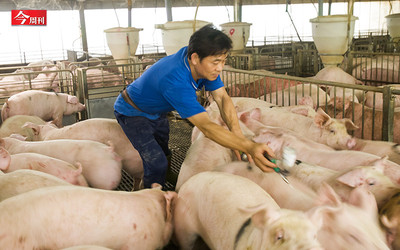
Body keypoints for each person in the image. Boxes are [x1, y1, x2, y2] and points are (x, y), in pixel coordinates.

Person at [114, 24, 276, 189]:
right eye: (216, 62)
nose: (219, 68)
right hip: (133, 112)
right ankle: (150, 198)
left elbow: (222, 98)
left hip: (157, 111)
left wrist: (238, 136)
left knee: (164, 148)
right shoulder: (176, 81)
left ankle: (167, 174)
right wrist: (249, 146)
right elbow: (206, 127)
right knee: (156, 161)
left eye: (223, 61)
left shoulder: (201, 63)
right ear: (195, 58)